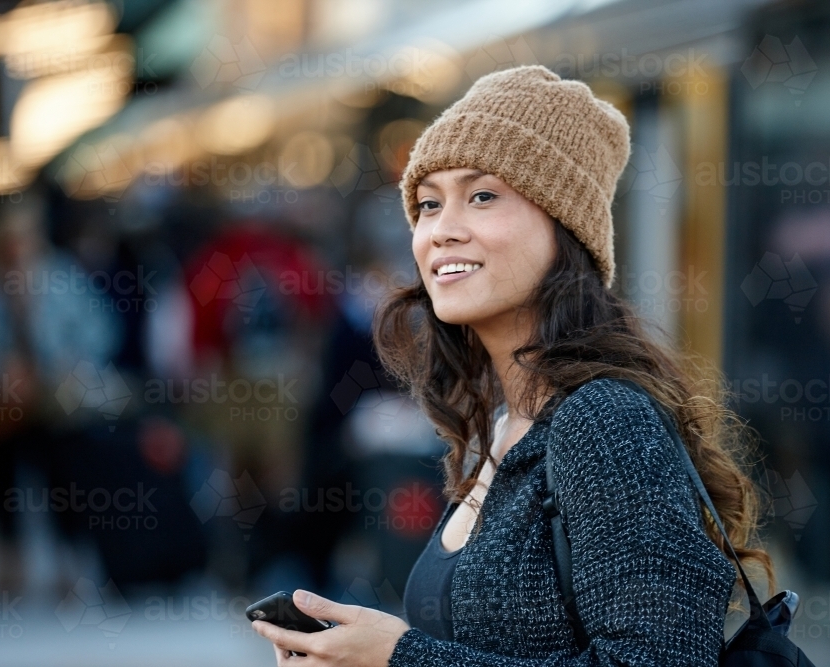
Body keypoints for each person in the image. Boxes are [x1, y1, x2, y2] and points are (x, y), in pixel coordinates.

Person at [252, 65, 774, 666]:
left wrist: (403, 659)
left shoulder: (603, 421)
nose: (440, 231)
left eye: (482, 196)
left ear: (565, 227)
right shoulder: (503, 425)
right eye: (426, 204)